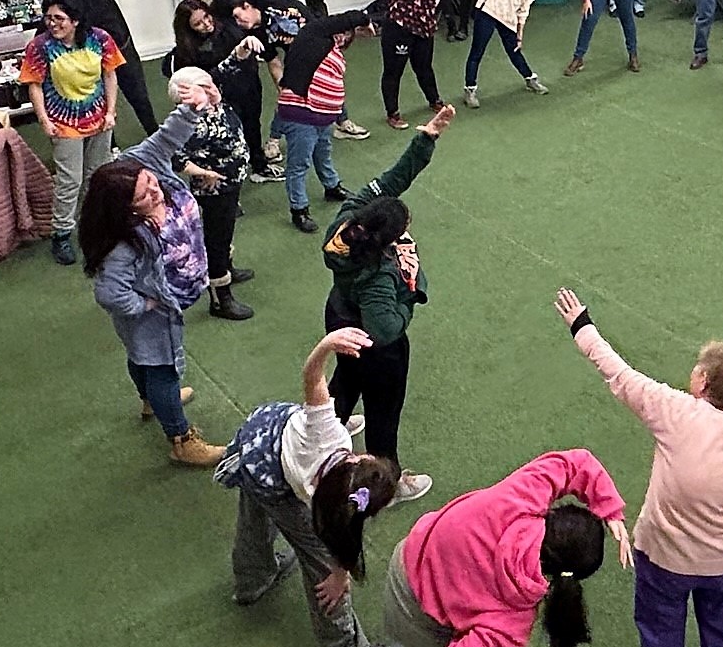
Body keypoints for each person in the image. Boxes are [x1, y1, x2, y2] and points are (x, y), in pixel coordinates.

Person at [552, 288, 723, 647]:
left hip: (663, 558)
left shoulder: (674, 411)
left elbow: (620, 374)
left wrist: (581, 326)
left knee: (659, 634)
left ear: (703, 383)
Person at [214, 328, 397, 643]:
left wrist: (326, 346)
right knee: (320, 565)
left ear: (358, 459)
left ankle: (252, 579)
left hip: (259, 441)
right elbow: (341, 545)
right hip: (273, 474)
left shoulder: (328, 434)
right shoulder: (329, 509)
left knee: (254, 515)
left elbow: (313, 377)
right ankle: (340, 641)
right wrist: (339, 576)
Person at [81, 91, 226, 467]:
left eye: (150, 182)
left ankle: (150, 400)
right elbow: (109, 293)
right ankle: (180, 438)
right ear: (124, 209)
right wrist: (144, 304)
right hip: (154, 317)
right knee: (163, 367)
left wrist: (191, 108)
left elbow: (166, 137)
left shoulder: (139, 166)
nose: (154, 189)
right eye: (143, 195)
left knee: (142, 359)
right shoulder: (123, 243)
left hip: (168, 302)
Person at [321, 104, 453, 503]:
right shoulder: (380, 274)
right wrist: (411, 285)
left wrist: (425, 139)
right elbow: (386, 327)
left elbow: (389, 181)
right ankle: (386, 481)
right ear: (389, 239)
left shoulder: (347, 220)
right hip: (376, 348)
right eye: (404, 227)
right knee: (384, 411)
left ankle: (324, 441)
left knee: (343, 384)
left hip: (339, 319)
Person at [380, 449, 631, 647]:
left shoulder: (522, 495)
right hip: (421, 615)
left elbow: (574, 464)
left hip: (408, 553)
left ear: (554, 513)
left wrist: (609, 508)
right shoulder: (511, 623)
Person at [213, 0, 370, 142]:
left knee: (331, 83)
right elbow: (274, 63)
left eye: (240, 17)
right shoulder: (258, 36)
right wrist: (286, 92)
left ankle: (343, 122)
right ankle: (274, 140)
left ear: (247, 6)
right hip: (299, 57)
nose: (241, 24)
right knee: (290, 95)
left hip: (318, 39)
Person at [21, 0, 125, 266]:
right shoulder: (40, 47)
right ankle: (62, 233)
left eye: (59, 19)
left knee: (98, 176)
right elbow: (34, 84)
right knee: (69, 180)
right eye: (49, 18)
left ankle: (97, 228)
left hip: (99, 118)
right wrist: (44, 119)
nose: (53, 24)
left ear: (76, 20)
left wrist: (111, 112)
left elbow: (110, 74)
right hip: (63, 123)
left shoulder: (100, 39)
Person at [31, 0, 158, 137]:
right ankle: (111, 146)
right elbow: (47, 29)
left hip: (123, 49)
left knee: (140, 98)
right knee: (101, 105)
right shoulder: (65, 8)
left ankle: (155, 134)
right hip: (95, 61)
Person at [273, 2, 373, 234]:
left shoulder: (333, 49)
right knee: (299, 164)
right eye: (344, 31)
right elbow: (349, 17)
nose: (346, 35)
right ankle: (299, 210)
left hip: (322, 117)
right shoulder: (311, 35)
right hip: (301, 115)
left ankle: (332, 186)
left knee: (323, 152)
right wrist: (364, 21)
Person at [167, 67, 255, 321]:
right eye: (203, 87)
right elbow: (176, 157)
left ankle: (227, 266)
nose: (211, 88)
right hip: (215, 190)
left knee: (225, 232)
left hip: (232, 181)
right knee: (216, 239)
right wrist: (203, 173)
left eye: (210, 84)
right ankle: (220, 298)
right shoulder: (188, 122)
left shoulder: (216, 106)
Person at [171, 0, 281, 184]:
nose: (206, 24)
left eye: (207, 17)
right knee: (223, 140)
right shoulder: (185, 53)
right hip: (220, 99)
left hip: (248, 87)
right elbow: (201, 81)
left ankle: (259, 165)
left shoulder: (228, 27)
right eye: (198, 23)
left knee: (252, 126)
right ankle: (223, 183)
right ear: (188, 28)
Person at [383, 0, 471, 129]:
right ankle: (393, 113)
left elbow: (436, 3)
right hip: (399, 27)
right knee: (394, 72)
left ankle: (434, 100)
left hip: (424, 30)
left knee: (424, 68)